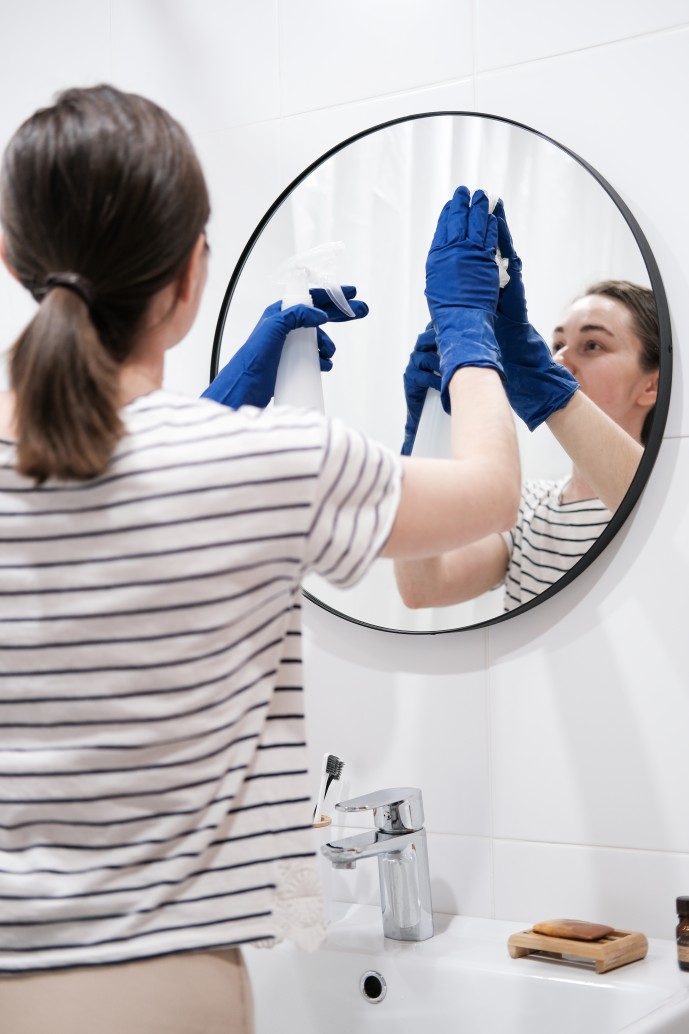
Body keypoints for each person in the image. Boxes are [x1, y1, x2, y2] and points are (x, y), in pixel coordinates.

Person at [0, 87, 530, 1033]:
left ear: (10, 258)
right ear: (191, 274)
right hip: (155, 987)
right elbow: (490, 494)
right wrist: (465, 325)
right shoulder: (266, 462)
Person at [395, 205, 659, 614]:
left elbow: (652, 521)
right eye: (554, 346)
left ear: (652, 384)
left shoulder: (673, 497)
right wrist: (424, 434)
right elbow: (424, 588)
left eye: (593, 345)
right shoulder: (528, 504)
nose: (560, 360)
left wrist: (541, 380)